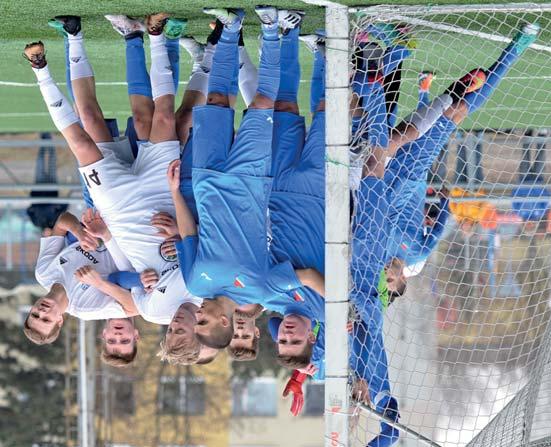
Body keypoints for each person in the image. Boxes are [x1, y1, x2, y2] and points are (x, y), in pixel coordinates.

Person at [173, 7, 322, 350]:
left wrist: (175, 192)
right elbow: (307, 279)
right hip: (249, 181)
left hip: (207, 181)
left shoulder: (196, 284)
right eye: (204, 320)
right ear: (224, 321)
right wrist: (345, 310)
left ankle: (231, 27)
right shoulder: (260, 290)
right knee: (263, 103)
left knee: (217, 99)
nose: (198, 313)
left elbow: (187, 233)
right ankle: (270, 28)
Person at [382, 22, 540, 297]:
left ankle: (398, 50)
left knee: (405, 118)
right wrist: (444, 201)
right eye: (391, 281)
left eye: (386, 280)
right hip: (415, 171)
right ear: (402, 279)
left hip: (388, 170)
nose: (388, 275)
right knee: (457, 110)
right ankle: (514, 50)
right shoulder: (417, 254)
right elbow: (440, 226)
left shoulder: (377, 250)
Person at [25, 210, 140, 367]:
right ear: (59, 321)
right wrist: (99, 283)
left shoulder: (43, 273)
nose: (42, 312)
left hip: (100, 218)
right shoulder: (85, 309)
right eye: (46, 319)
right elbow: (134, 308)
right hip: (129, 236)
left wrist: (79, 232)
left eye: (35, 315)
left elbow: (62, 221)